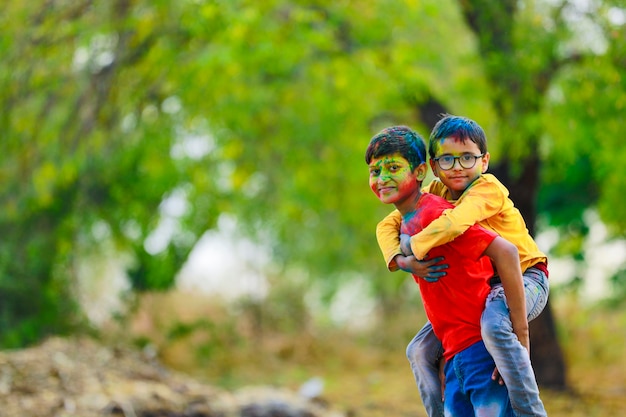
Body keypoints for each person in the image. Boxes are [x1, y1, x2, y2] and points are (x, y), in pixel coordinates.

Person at [376, 115, 549, 417]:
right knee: (418, 351)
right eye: (447, 160)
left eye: (467, 157)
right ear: (432, 166)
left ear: (484, 161)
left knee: (494, 326)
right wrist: (402, 261)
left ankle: (530, 411)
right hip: (487, 289)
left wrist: (521, 335)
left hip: (525, 277)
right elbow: (387, 224)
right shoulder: (437, 192)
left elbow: (456, 222)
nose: (457, 167)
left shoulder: (487, 189)